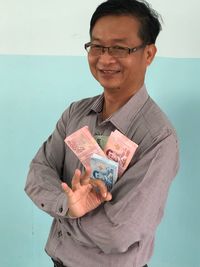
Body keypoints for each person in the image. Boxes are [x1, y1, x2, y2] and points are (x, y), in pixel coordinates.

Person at [25, 0, 179, 266]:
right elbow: (37, 175)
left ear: (149, 54)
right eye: (96, 46)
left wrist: (64, 213)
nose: (105, 59)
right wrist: (70, 205)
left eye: (120, 48)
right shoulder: (76, 113)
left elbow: (118, 233)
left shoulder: (158, 138)